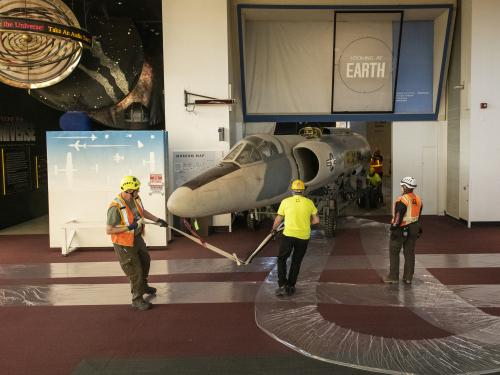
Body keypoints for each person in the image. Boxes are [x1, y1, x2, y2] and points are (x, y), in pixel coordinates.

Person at [106, 175, 168, 310]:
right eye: (137, 190)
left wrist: (158, 220)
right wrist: (129, 227)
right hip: (124, 243)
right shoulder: (115, 207)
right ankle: (137, 299)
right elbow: (109, 230)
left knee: (145, 261)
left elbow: (142, 212)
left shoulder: (136, 198)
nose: (138, 192)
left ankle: (143, 286)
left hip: (137, 238)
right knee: (135, 271)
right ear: (129, 190)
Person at [271, 179, 320, 297]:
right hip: (303, 237)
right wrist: (306, 223)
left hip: (288, 235)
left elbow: (279, 218)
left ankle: (282, 285)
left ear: (292, 190)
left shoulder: (285, 202)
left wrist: (273, 229)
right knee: (296, 261)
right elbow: (317, 220)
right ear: (303, 191)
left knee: (282, 259)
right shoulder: (309, 202)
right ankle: (291, 286)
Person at [382, 176, 423, 285]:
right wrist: (418, 228)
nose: (401, 188)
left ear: (405, 187)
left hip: (401, 229)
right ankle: (408, 278)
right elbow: (418, 215)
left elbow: (398, 216)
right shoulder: (418, 199)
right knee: (409, 253)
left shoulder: (402, 200)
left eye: (401, 186)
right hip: (414, 228)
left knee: (394, 252)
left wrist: (394, 228)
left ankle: (393, 277)